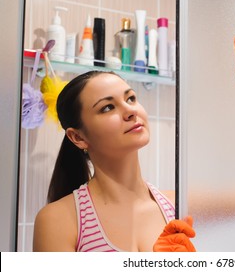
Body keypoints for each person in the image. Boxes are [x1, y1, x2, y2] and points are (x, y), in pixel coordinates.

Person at [33, 70, 196, 252]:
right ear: (77, 137)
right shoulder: (58, 220)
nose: (130, 111)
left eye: (131, 98)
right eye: (108, 107)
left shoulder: (178, 205)